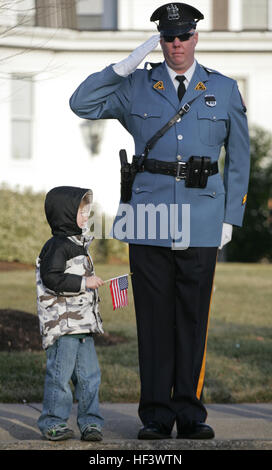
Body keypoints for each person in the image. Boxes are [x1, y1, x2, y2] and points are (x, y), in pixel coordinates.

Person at [69, 3, 250, 440]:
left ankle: (189, 413)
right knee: (152, 318)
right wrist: (121, 66)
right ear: (160, 40)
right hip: (149, 219)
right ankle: (154, 414)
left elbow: (240, 158)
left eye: (184, 36)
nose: (176, 45)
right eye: (168, 37)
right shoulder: (136, 86)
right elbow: (82, 103)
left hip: (203, 219)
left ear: (196, 37)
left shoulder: (222, 89)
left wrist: (230, 217)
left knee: (192, 317)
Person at [36, 186, 104, 441]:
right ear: (64, 214)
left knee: (90, 377)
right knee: (60, 377)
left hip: (82, 326)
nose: (86, 215)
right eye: (80, 211)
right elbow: (51, 277)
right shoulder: (57, 246)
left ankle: (90, 422)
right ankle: (52, 421)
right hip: (63, 327)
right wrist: (83, 283)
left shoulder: (79, 244)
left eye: (87, 210)